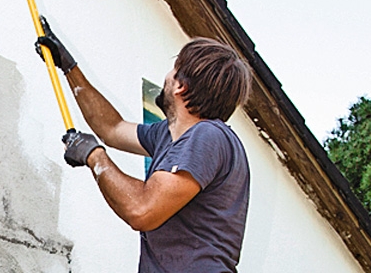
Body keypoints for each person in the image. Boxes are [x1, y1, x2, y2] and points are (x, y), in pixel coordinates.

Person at [36, 18, 252, 273]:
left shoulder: (208, 136)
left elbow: (142, 210)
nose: (168, 76)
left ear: (181, 86)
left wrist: (94, 156)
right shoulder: (169, 136)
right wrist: (69, 67)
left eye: (174, 69)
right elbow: (112, 128)